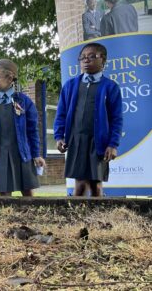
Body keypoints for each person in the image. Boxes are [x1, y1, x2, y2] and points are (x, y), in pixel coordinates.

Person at [54, 43, 123, 196]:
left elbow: (116, 119)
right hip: (76, 140)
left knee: (96, 186)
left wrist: (113, 144)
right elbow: (61, 114)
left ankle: (97, 218)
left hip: (98, 142)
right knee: (79, 186)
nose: (86, 60)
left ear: (103, 60)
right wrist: (59, 137)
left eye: (92, 56)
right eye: (83, 57)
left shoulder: (110, 87)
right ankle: (78, 218)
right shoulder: (70, 85)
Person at [0, 59, 46, 196]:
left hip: (22, 154)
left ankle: (29, 216)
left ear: (9, 78)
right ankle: (6, 217)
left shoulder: (24, 102)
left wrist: (36, 154)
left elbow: (33, 131)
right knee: (4, 194)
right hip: (0, 154)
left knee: (27, 192)